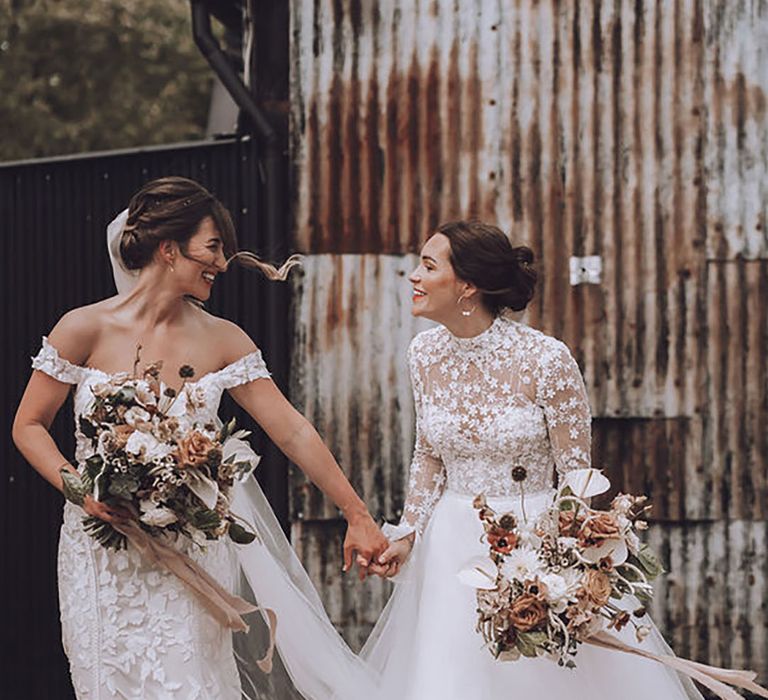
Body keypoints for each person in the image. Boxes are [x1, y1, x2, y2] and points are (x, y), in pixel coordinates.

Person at [12, 176, 388, 700]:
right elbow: (27, 426)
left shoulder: (224, 339)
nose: (223, 261)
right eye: (213, 247)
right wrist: (82, 492)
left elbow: (293, 430)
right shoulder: (83, 328)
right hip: (102, 553)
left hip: (191, 550)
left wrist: (357, 513)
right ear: (169, 249)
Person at [362, 220, 704, 699]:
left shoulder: (545, 358)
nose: (414, 277)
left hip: (532, 544)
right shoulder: (423, 354)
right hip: (449, 551)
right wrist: (408, 532)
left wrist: (561, 563)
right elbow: (429, 454)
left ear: (467, 285)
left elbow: (577, 476)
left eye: (427, 265)